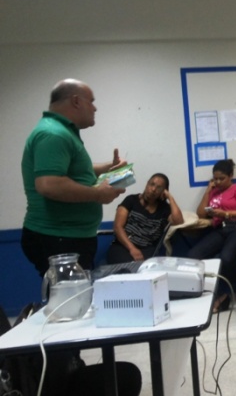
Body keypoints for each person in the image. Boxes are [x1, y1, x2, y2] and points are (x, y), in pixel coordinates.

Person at [21, 78, 127, 277]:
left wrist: (108, 167)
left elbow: (74, 171)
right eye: (91, 101)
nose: (95, 108)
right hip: (59, 237)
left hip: (65, 236)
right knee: (68, 295)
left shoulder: (60, 131)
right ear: (76, 101)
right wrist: (98, 194)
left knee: (73, 293)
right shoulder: (53, 134)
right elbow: (49, 184)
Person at [187, 159, 236, 313]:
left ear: (231, 176)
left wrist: (226, 214)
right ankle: (217, 295)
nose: (218, 182)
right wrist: (207, 191)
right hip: (220, 229)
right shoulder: (214, 192)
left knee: (226, 258)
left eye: (221, 178)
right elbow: (201, 214)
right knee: (193, 255)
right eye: (215, 179)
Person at [106, 173, 184, 264]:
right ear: (147, 184)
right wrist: (132, 249)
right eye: (152, 184)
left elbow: (178, 221)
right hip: (124, 246)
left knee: (148, 267)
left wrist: (170, 197)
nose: (153, 189)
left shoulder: (164, 209)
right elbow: (118, 227)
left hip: (148, 249)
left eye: (159, 188)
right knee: (129, 266)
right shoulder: (131, 200)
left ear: (164, 191)